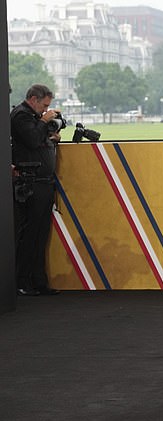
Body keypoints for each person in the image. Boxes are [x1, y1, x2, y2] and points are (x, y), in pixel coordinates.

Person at [11, 84, 62, 296]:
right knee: (30, 235)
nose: (45, 110)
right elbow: (31, 140)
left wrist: (52, 137)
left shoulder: (34, 118)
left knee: (41, 236)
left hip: (44, 182)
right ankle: (22, 281)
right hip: (31, 183)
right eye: (43, 106)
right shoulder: (20, 116)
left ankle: (39, 281)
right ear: (33, 99)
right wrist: (43, 122)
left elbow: (39, 138)